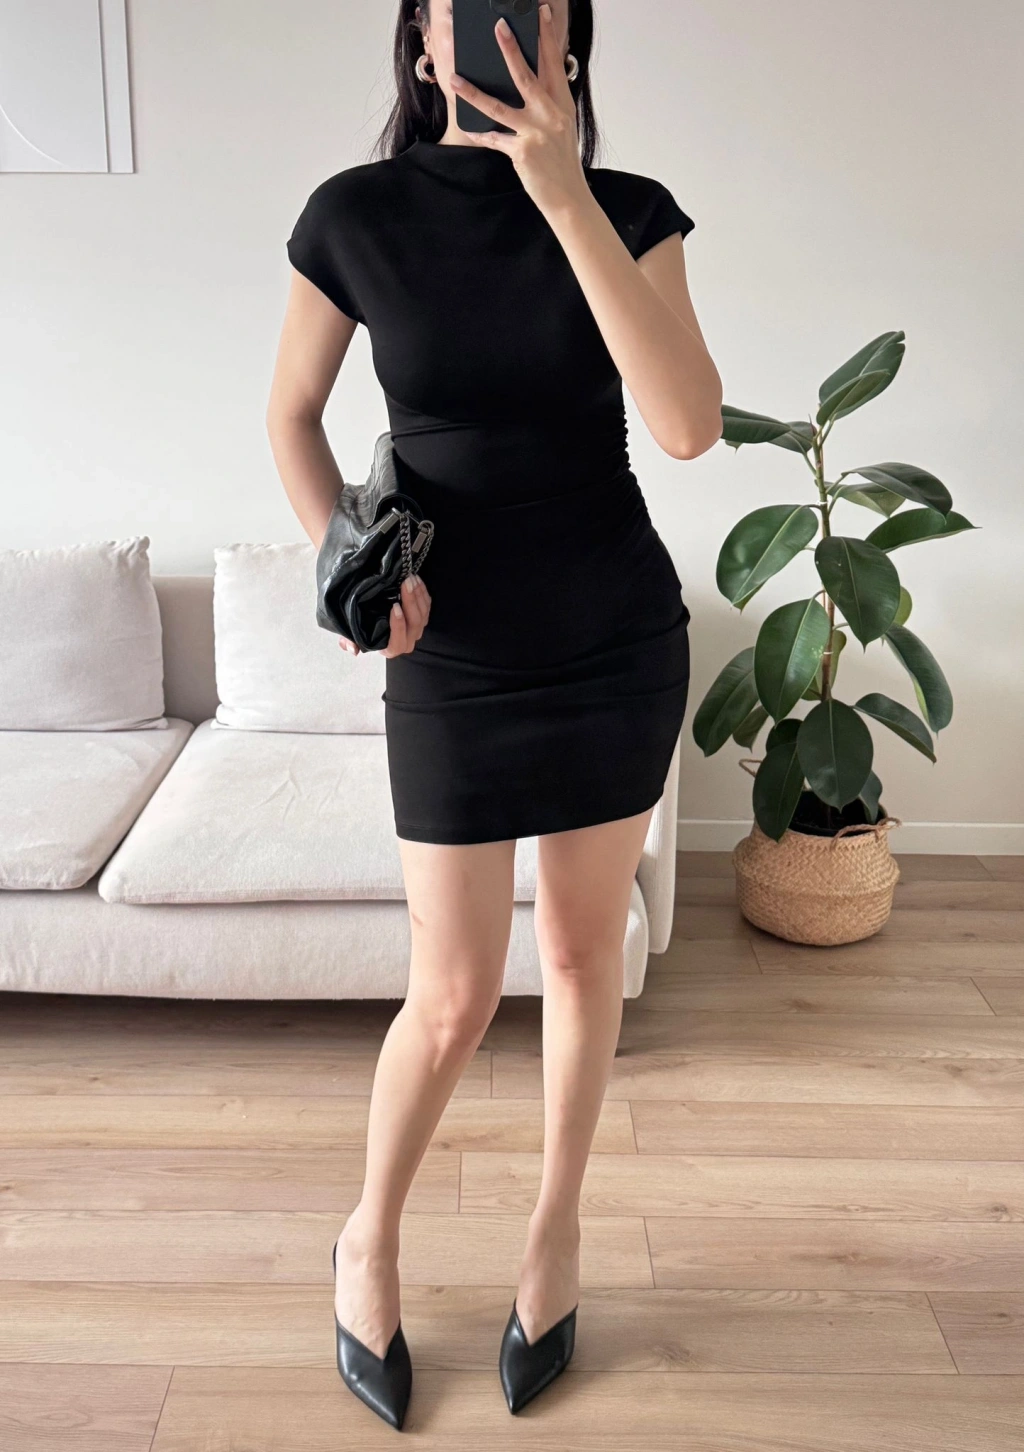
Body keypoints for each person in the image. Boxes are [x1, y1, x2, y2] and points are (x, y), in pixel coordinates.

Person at [266, 0, 722, 1431]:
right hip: (450, 650)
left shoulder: (629, 210)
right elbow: (290, 415)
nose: (506, 31)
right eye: (471, 11)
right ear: (424, 45)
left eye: (536, 10)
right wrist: (350, 564)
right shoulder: (356, 217)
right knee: (455, 992)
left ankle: (553, 1234)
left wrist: (563, 191)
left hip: (613, 639)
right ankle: (369, 1239)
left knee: (584, 959)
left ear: (569, 43)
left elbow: (688, 425)